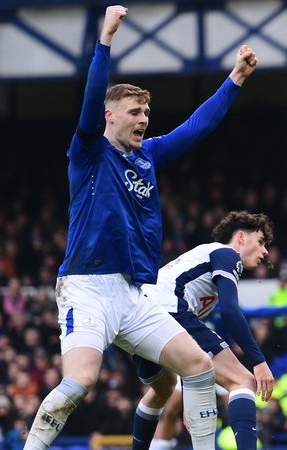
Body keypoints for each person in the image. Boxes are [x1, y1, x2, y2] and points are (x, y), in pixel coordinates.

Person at [24, 6, 258, 450]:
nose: (144, 118)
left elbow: (197, 127)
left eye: (147, 111)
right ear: (110, 117)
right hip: (88, 286)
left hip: (134, 294)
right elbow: (93, 97)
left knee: (199, 366)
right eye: (135, 111)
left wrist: (236, 79)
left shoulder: (148, 156)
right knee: (80, 383)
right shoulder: (89, 152)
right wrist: (106, 39)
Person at [131, 212, 287, 450]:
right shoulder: (227, 254)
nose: (265, 252)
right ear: (241, 238)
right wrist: (259, 361)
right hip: (168, 311)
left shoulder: (202, 265)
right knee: (243, 381)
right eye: (262, 242)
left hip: (138, 317)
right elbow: (232, 312)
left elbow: (186, 349)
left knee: (162, 390)